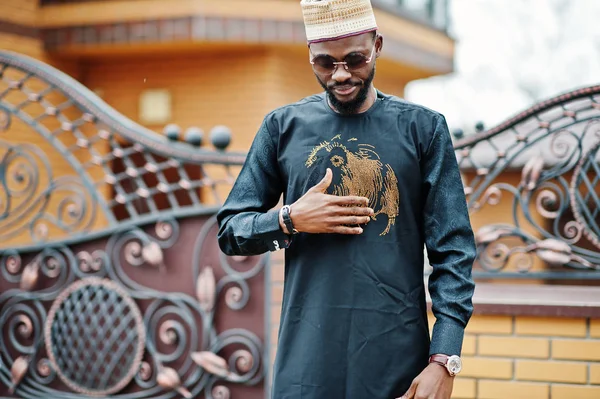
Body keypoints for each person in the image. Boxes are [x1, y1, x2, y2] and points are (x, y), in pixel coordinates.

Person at [216, 0, 476, 398]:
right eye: (325, 63)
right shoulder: (282, 128)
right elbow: (230, 231)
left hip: (397, 363)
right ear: (309, 56)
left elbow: (454, 251)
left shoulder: (423, 130)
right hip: (306, 362)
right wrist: (289, 219)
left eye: (355, 59)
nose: (341, 74)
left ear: (377, 45)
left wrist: (444, 358)